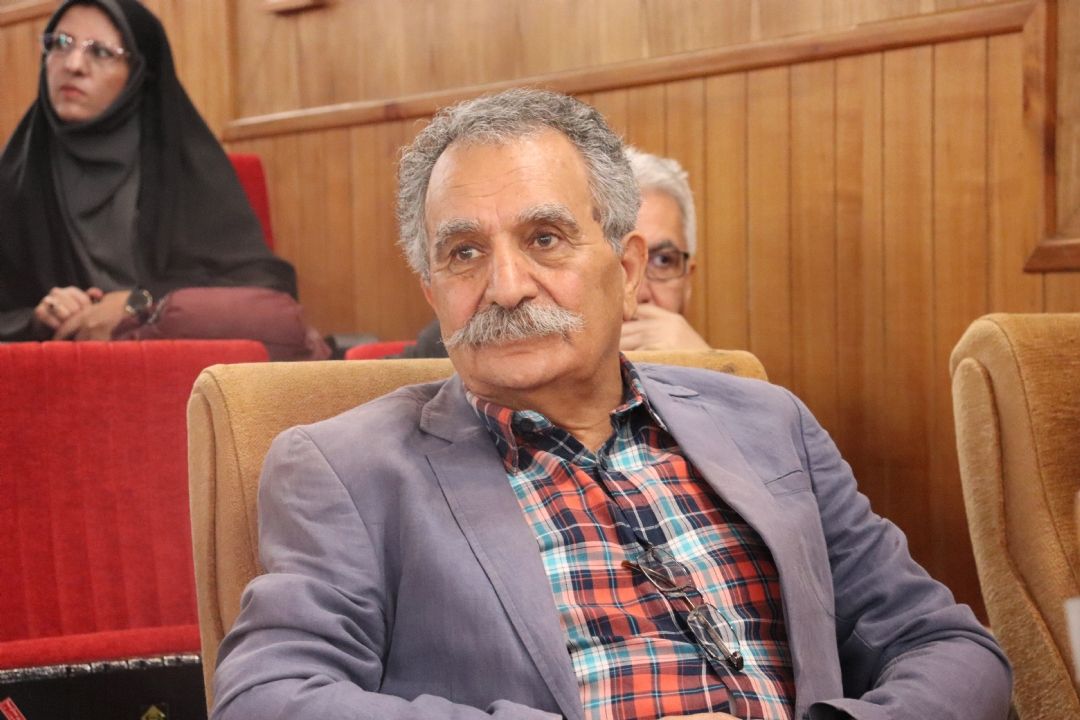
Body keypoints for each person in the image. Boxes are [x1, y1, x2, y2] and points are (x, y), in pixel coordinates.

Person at [212, 89, 1011, 720]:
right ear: (433, 293)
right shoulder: (346, 470)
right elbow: (268, 697)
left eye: (545, 239)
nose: (506, 286)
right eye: (464, 252)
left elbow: (950, 648)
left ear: (627, 272)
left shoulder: (771, 425)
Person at [0, 0, 301, 347]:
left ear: (139, 74)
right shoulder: (15, 179)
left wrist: (138, 304)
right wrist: (38, 319)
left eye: (100, 51)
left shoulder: (184, 167)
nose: (73, 65)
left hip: (179, 368)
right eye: (61, 44)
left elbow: (266, 290)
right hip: (59, 370)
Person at [399, 146, 709, 357]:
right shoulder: (481, 332)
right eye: (545, 240)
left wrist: (708, 366)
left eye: (663, 261)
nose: (638, 290)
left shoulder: (717, 385)